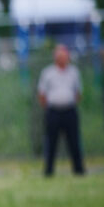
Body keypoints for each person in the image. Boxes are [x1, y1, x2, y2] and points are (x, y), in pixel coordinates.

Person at [38, 44, 85, 176]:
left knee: (74, 142)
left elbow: (78, 93)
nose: (63, 59)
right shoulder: (48, 73)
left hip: (69, 111)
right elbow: (42, 94)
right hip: (53, 112)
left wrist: (68, 102)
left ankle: (78, 169)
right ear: (55, 58)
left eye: (65, 56)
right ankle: (49, 170)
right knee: (51, 142)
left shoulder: (74, 72)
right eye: (60, 56)